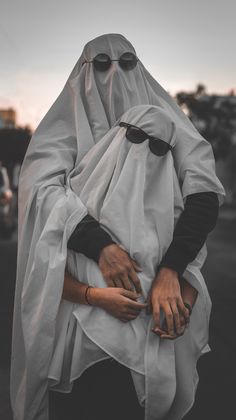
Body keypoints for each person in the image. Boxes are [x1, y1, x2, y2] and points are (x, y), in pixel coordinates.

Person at [10, 34, 225, 420]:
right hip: (78, 335)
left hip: (148, 334)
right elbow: (41, 199)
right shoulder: (60, 137)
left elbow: (203, 192)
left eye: (127, 63)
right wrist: (101, 249)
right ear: (84, 72)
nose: (115, 74)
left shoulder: (169, 125)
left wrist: (171, 271)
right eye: (102, 64)